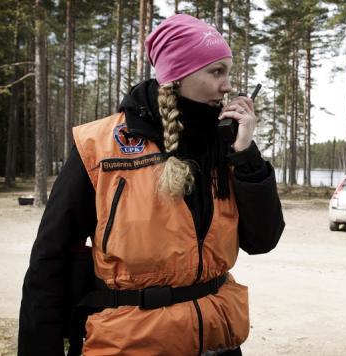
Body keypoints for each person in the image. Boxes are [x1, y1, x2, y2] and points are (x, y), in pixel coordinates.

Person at [18, 14, 284, 356]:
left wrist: (245, 154)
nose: (228, 85)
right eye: (216, 71)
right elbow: (49, 259)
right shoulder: (99, 145)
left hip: (218, 343)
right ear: (177, 76)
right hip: (131, 344)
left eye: (228, 72)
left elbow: (263, 240)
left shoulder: (226, 144)